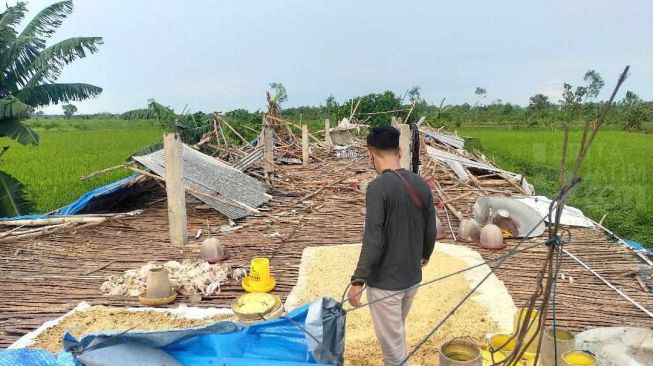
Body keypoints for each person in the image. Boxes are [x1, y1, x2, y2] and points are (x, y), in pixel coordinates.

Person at [347, 126, 437, 366]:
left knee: (393, 352)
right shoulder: (421, 184)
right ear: (399, 150)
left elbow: (373, 239)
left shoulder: (378, 188)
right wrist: (424, 256)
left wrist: (358, 281)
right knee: (396, 334)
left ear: (370, 153)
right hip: (412, 279)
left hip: (386, 285)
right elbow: (431, 229)